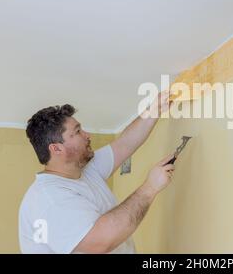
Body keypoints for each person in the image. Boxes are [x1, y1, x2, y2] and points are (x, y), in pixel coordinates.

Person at [19, 92, 174, 253]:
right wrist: (150, 188)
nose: (87, 135)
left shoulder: (84, 170)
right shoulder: (49, 198)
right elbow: (101, 242)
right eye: (78, 131)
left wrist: (154, 110)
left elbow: (125, 144)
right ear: (57, 148)